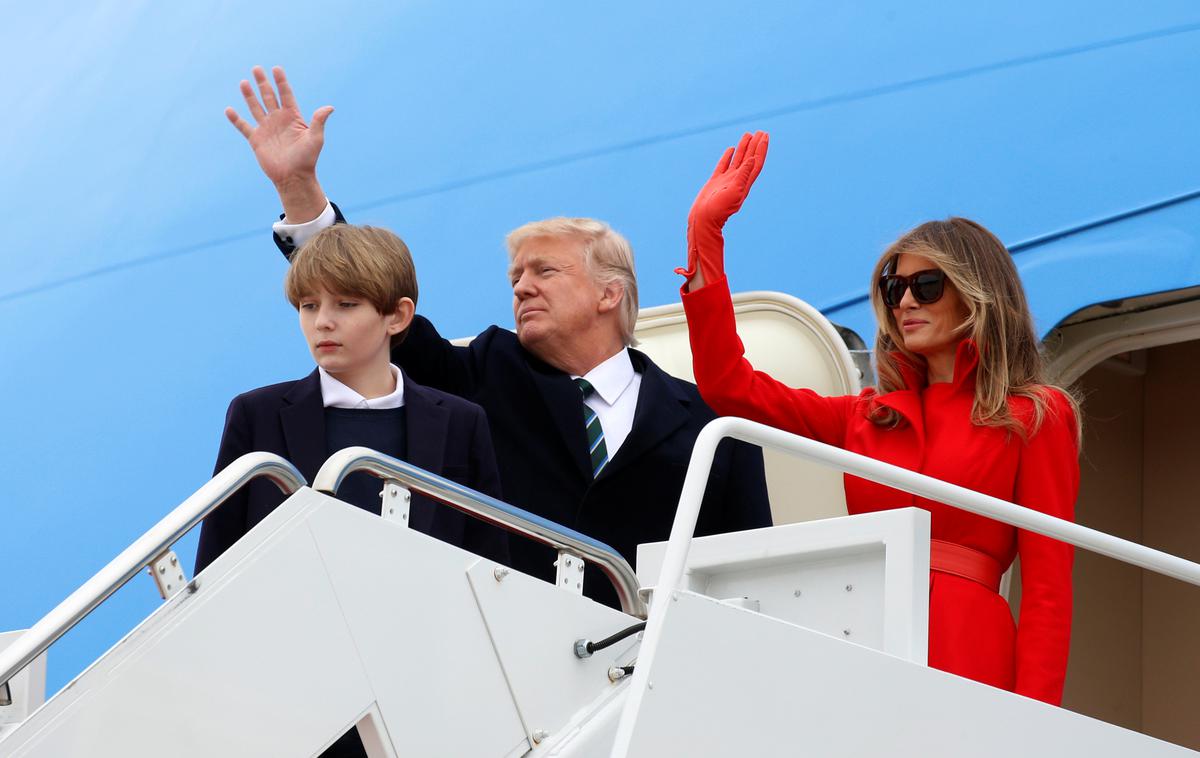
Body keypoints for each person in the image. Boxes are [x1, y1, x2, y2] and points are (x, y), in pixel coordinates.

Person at [223, 67, 772, 608]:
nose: (522, 288)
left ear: (610, 293)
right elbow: (375, 303)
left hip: (654, 671)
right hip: (512, 661)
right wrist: (299, 191)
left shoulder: (710, 422)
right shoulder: (484, 373)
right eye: (515, 278)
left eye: (544, 272)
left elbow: (749, 574)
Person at [677, 131, 1080, 705]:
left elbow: (1046, 589)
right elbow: (729, 387)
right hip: (860, 635)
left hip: (969, 654)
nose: (905, 302)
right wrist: (705, 238)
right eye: (894, 288)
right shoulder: (865, 417)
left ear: (976, 293)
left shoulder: (1032, 414)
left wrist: (1039, 726)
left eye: (927, 285)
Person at [195, 223, 509, 575]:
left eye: (346, 304)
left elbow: (490, 564)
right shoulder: (257, 415)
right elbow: (216, 562)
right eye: (309, 305)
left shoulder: (460, 421)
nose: (323, 322)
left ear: (398, 315)